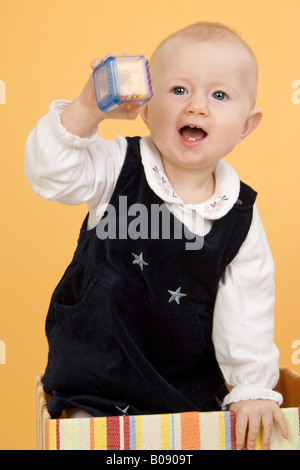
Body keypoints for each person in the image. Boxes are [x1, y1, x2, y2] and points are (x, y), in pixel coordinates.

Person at [25, 22, 288, 450]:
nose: (197, 107)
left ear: (246, 125)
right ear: (146, 108)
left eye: (219, 95)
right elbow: (49, 174)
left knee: (199, 439)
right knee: (87, 439)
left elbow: (248, 309)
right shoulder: (116, 168)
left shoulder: (239, 213)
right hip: (96, 382)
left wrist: (252, 388)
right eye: (179, 90)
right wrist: (86, 108)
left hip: (183, 391)